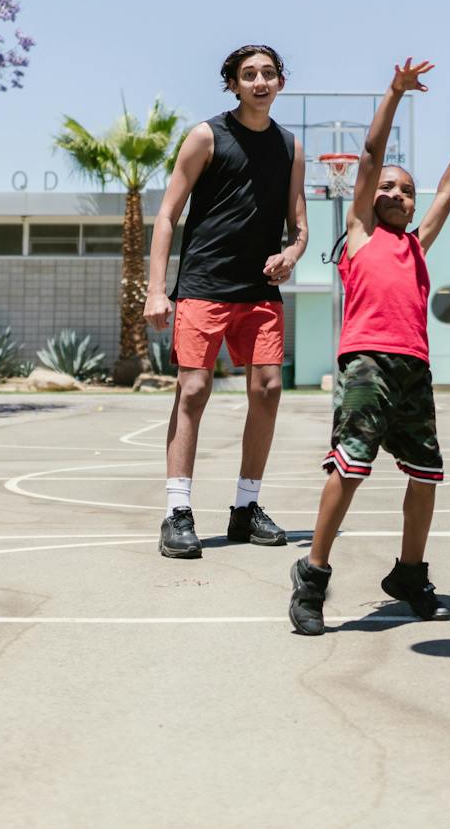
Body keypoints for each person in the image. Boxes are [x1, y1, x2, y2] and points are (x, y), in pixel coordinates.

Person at [288, 60, 450, 636]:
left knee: (427, 473)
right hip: (366, 362)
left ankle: (409, 573)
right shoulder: (359, 232)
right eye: (389, 187)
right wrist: (394, 94)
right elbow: (371, 157)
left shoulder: (418, 244)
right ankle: (312, 574)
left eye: (406, 191)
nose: (397, 193)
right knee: (351, 467)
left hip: (414, 367)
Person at [144, 45, 308, 559]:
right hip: (204, 283)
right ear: (233, 85)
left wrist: (292, 252)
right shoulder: (206, 136)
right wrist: (156, 288)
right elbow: (168, 215)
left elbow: (299, 227)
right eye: (248, 75)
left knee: (268, 389)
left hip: (259, 289)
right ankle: (177, 512)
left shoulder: (289, 147)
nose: (259, 82)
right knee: (193, 389)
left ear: (281, 81)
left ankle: (246, 507)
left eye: (268, 74)